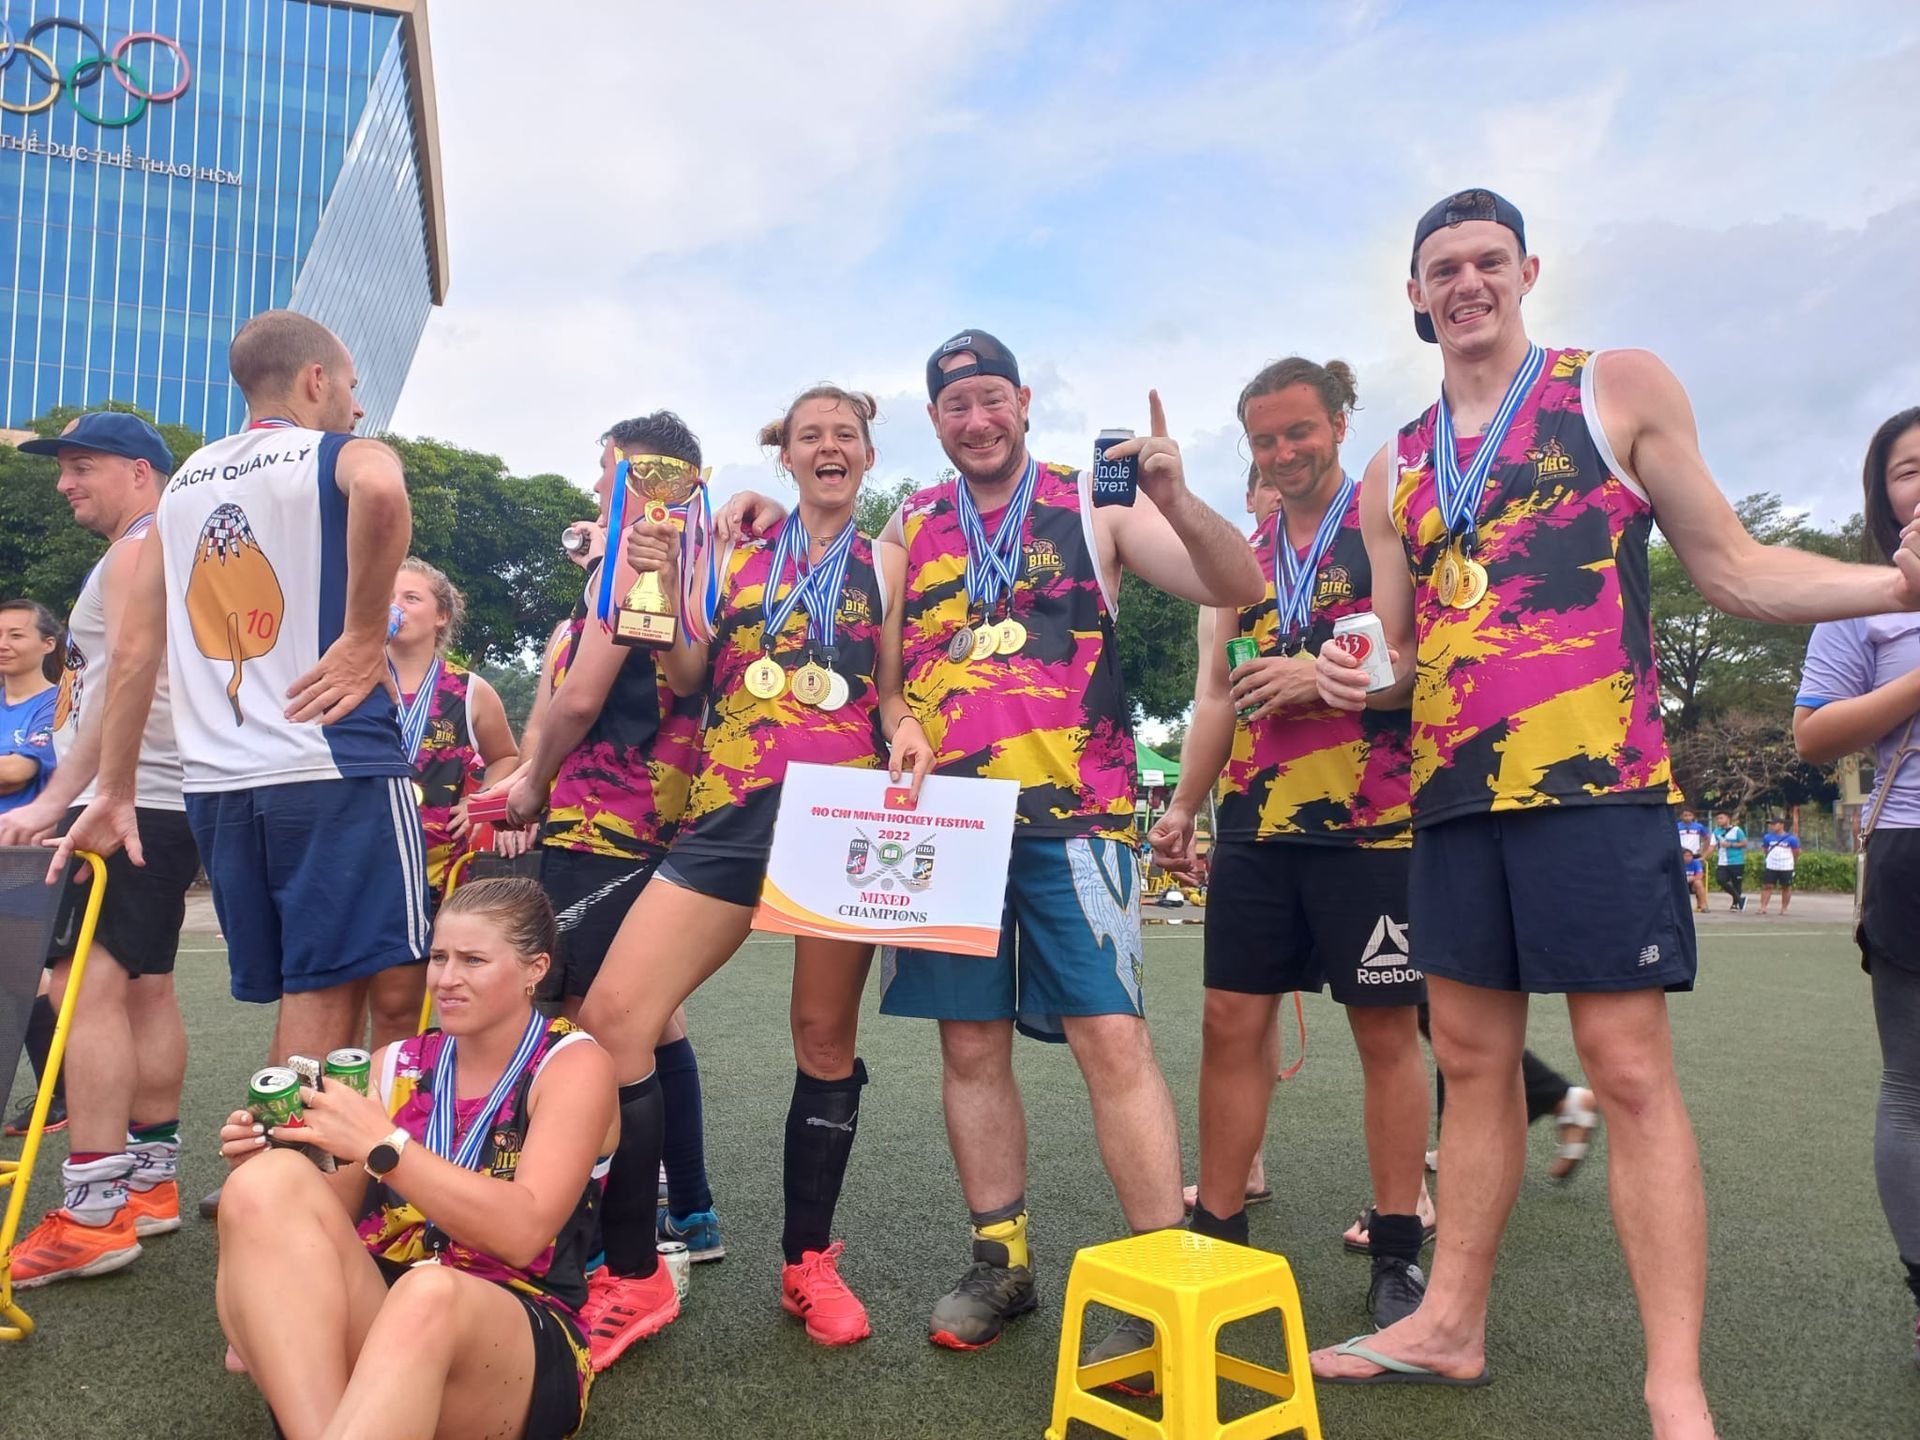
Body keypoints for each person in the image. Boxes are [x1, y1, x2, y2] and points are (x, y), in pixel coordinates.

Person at [1313, 188, 1920, 1436]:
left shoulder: (1613, 387)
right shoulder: (1394, 465)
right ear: (1414, 295)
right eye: (1443, 268)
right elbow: (1399, 654)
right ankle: (1449, 1325)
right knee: (1470, 1063)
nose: (1467, 283)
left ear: (1527, 271)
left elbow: (1733, 569)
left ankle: (1672, 1381)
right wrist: (1353, 672)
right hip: (1451, 799)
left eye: (1488, 260)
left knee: (1630, 1073)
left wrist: (1895, 585)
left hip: (1596, 788)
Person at [869, 330, 1263, 1356]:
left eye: (991, 399)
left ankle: (1161, 1277)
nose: (977, 422)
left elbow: (1238, 583)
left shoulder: (1097, 502)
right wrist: (899, 721)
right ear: (934, 420)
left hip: (1076, 819)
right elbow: (885, 679)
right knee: (969, 1046)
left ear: (1023, 401)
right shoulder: (909, 521)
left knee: (1112, 1041)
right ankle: (1001, 1264)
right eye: (956, 407)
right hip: (947, 827)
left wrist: (1177, 496)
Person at [578, 385, 935, 1362]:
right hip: (729, 811)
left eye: (846, 434)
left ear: (867, 456)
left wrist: (908, 729)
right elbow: (689, 675)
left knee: (823, 1037)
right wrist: (659, 582)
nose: (829, 446)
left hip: (841, 818)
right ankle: (635, 1274)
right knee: (614, 1018)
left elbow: (891, 693)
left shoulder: (889, 563)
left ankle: (807, 1263)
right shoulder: (732, 549)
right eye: (810, 435)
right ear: (786, 456)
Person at [56, 311, 430, 1222]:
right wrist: (364, 636)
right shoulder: (330, 453)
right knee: (358, 989)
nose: (357, 406)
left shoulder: (183, 484)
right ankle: (300, 1197)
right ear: (315, 381)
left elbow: (133, 652)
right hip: (330, 763)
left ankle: (298, 1179)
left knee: (316, 989)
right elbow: (383, 484)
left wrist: (113, 788)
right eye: (350, 387)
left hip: (222, 787)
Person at [1148, 357, 1432, 1331]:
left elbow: (1411, 658)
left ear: (1340, 424)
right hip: (1257, 827)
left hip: (1373, 825)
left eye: (1299, 431)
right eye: (1264, 439)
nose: (1283, 452)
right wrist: (1185, 806)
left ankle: (1397, 1252)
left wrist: (1321, 674)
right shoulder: (1240, 552)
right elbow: (1215, 694)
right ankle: (1218, 1236)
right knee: (1230, 1024)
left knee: (1386, 1035)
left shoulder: (1382, 520)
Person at [213, 878, 614, 1440]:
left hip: (512, 1333)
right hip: (384, 1306)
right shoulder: (393, 1062)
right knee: (265, 1185)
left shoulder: (573, 1065)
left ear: (535, 968)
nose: (446, 979)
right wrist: (271, 1165)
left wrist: (386, 1146)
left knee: (430, 1294)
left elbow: (522, 1233)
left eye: (473, 960)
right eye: (439, 957)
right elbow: (333, 1215)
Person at [501, 412, 713, 1361]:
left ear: (646, 477)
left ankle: (614, 1252)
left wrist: (530, 784)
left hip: (607, 823)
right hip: (645, 823)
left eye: (608, 471)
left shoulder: (642, 557)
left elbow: (579, 699)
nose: (598, 487)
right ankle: (687, 1213)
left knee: (593, 1033)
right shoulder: (688, 556)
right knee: (648, 1027)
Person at [0, 415, 201, 1285]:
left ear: (139, 472)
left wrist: (62, 798)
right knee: (144, 987)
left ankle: (93, 1212)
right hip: (166, 795)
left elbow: (124, 678)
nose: (64, 483)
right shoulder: (165, 547)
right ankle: (149, 1184)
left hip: (133, 794)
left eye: (82, 467)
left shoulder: (137, 550)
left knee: (79, 988)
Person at [1792, 405, 1920, 1365]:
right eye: (1909, 470)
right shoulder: (1858, 603)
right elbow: (1815, 734)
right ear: (1884, 496)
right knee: (1913, 1087)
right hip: (1914, 845)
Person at [373, 557, 520, 1048]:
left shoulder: (469, 691)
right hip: (360, 862)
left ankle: (400, 1084)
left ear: (441, 616)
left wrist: (481, 803)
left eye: (410, 597)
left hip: (435, 873)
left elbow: (506, 757)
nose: (395, 606)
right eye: (387, 595)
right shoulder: (354, 678)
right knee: (342, 996)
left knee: (403, 1005)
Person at [0, 597, 60, 814]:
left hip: (23, 833)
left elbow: (18, 771)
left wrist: (12, 774)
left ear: (48, 644)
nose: (3, 645)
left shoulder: (59, 703)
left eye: (16, 636)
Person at [1757, 818, 1799, 914]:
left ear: (1781, 825)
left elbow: (1796, 851)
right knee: (1767, 885)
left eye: (1774, 824)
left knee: (1786, 886)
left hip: (1786, 866)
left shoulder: (1791, 838)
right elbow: (1765, 849)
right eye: (1771, 824)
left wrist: (1793, 862)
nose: (1772, 826)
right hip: (1771, 865)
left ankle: (1784, 908)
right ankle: (1763, 907)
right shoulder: (1767, 837)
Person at [1711, 810, 1747, 911]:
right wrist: (1704, 856)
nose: (1719, 820)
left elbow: (1744, 843)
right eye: (1717, 819)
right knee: (1720, 880)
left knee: (1736, 883)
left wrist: (1731, 845)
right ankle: (1739, 899)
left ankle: (1735, 904)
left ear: (1728, 818)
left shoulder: (1737, 830)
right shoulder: (1716, 832)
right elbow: (1711, 846)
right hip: (1722, 861)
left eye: (1721, 818)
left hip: (1736, 861)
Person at [1676, 807, 1710, 913]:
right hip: (1680, 854)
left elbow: (1707, 838)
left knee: (1698, 881)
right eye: (1685, 815)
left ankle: (1701, 903)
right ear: (1681, 816)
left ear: (1693, 816)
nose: (1687, 817)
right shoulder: (1677, 826)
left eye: (1689, 815)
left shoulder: (1698, 826)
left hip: (1694, 854)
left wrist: (1703, 853)